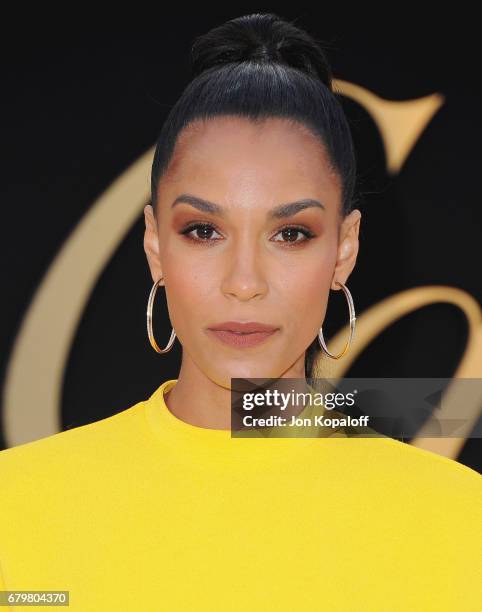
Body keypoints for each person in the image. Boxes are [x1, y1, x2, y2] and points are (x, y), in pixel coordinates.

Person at [0, 13, 480, 611]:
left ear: (344, 250)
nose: (244, 283)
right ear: (154, 244)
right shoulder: (16, 505)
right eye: (203, 230)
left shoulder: (463, 524)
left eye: (291, 234)